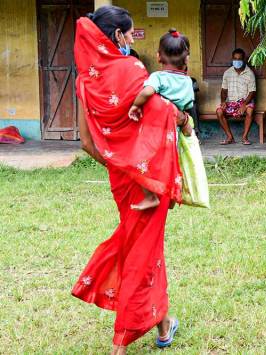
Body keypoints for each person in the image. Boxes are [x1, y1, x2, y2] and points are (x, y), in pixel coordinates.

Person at [72, 6, 182, 354]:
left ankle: (163, 325)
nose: (131, 39)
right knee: (142, 255)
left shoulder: (83, 80)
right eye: (131, 33)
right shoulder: (133, 68)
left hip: (121, 180)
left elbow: (87, 142)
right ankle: (121, 341)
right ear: (119, 36)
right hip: (148, 179)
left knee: (146, 249)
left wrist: (119, 164)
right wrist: (183, 119)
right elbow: (163, 113)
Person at [128, 28, 194, 211]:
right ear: (185, 59)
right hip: (174, 133)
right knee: (171, 163)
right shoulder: (187, 82)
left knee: (139, 160)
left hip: (155, 131)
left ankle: (150, 197)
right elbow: (188, 104)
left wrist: (136, 105)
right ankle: (172, 196)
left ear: (158, 57)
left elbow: (148, 91)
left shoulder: (158, 77)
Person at [217, 48, 257, 145]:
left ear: (243, 60)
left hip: (245, 102)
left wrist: (244, 104)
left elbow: (252, 92)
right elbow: (224, 90)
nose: (237, 61)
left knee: (250, 110)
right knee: (219, 111)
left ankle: (244, 137)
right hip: (231, 102)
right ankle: (230, 137)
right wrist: (223, 101)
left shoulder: (250, 73)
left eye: (239, 59)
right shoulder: (227, 73)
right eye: (235, 59)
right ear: (232, 59)